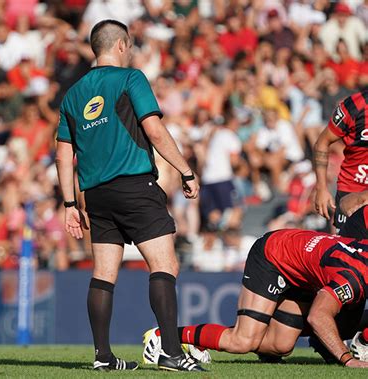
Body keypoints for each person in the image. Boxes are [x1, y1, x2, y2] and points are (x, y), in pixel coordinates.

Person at [55, 19, 202, 372]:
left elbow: (63, 153)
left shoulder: (73, 94)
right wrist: (186, 170)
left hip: (95, 195)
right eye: (131, 46)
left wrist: (70, 204)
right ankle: (170, 352)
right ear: (121, 45)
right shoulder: (130, 78)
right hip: (135, 186)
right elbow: (154, 129)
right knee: (165, 265)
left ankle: (102, 357)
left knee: (104, 274)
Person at [143, 208, 368, 368]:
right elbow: (318, 316)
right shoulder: (354, 278)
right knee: (242, 341)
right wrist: (347, 359)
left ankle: (204, 338)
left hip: (302, 267)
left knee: (281, 346)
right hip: (274, 255)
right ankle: (165, 336)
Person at [314, 89, 368, 230]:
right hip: (351, 189)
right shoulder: (354, 106)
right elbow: (322, 142)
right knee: (345, 247)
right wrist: (321, 188)